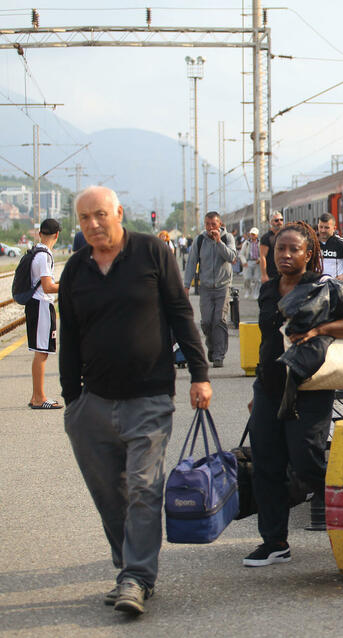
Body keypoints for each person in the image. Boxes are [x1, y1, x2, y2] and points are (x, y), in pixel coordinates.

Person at [59, 185, 212, 615]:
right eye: (85, 218)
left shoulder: (151, 253)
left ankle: (136, 578)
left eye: (100, 215)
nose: (93, 224)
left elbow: (181, 312)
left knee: (144, 488)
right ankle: (128, 566)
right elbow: (69, 338)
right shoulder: (75, 271)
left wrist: (199, 375)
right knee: (110, 495)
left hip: (148, 397)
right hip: (93, 403)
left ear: (119, 213)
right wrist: (73, 403)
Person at [244, 221, 343, 567]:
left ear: (308, 254)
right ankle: (274, 542)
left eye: (293, 249)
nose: (284, 255)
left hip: (309, 388)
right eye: (280, 249)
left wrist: (319, 328)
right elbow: (269, 341)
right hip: (269, 389)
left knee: (307, 460)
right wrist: (259, 387)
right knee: (265, 463)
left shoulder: (323, 287)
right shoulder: (268, 291)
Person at [184, 211, 237, 367]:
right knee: (207, 322)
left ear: (220, 224)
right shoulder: (200, 240)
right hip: (206, 288)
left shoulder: (228, 238)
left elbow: (232, 257)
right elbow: (191, 263)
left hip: (223, 286)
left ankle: (219, 355)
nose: (210, 227)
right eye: (207, 224)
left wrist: (219, 242)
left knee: (219, 320)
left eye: (213, 224)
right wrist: (186, 285)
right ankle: (212, 347)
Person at [26, 217, 62, 409]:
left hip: (36, 305)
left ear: (40, 233)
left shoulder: (36, 253)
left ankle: (36, 396)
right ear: (57, 235)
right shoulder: (44, 256)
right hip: (41, 305)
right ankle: (39, 398)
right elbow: (48, 287)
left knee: (41, 351)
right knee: (42, 352)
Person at [258, 211, 284, 284]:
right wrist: (264, 275)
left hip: (284, 273)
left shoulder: (286, 235)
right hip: (271, 274)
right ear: (270, 222)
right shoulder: (266, 238)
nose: (279, 222)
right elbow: (262, 256)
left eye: (281, 220)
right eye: (276, 220)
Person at [239, 227, 262, 299]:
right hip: (248, 261)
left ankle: (256, 293)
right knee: (247, 278)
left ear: (257, 235)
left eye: (254, 234)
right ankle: (248, 290)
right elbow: (241, 254)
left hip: (257, 262)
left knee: (257, 279)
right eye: (251, 234)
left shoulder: (260, 243)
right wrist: (244, 261)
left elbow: (263, 253)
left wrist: (260, 259)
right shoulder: (246, 243)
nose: (252, 236)